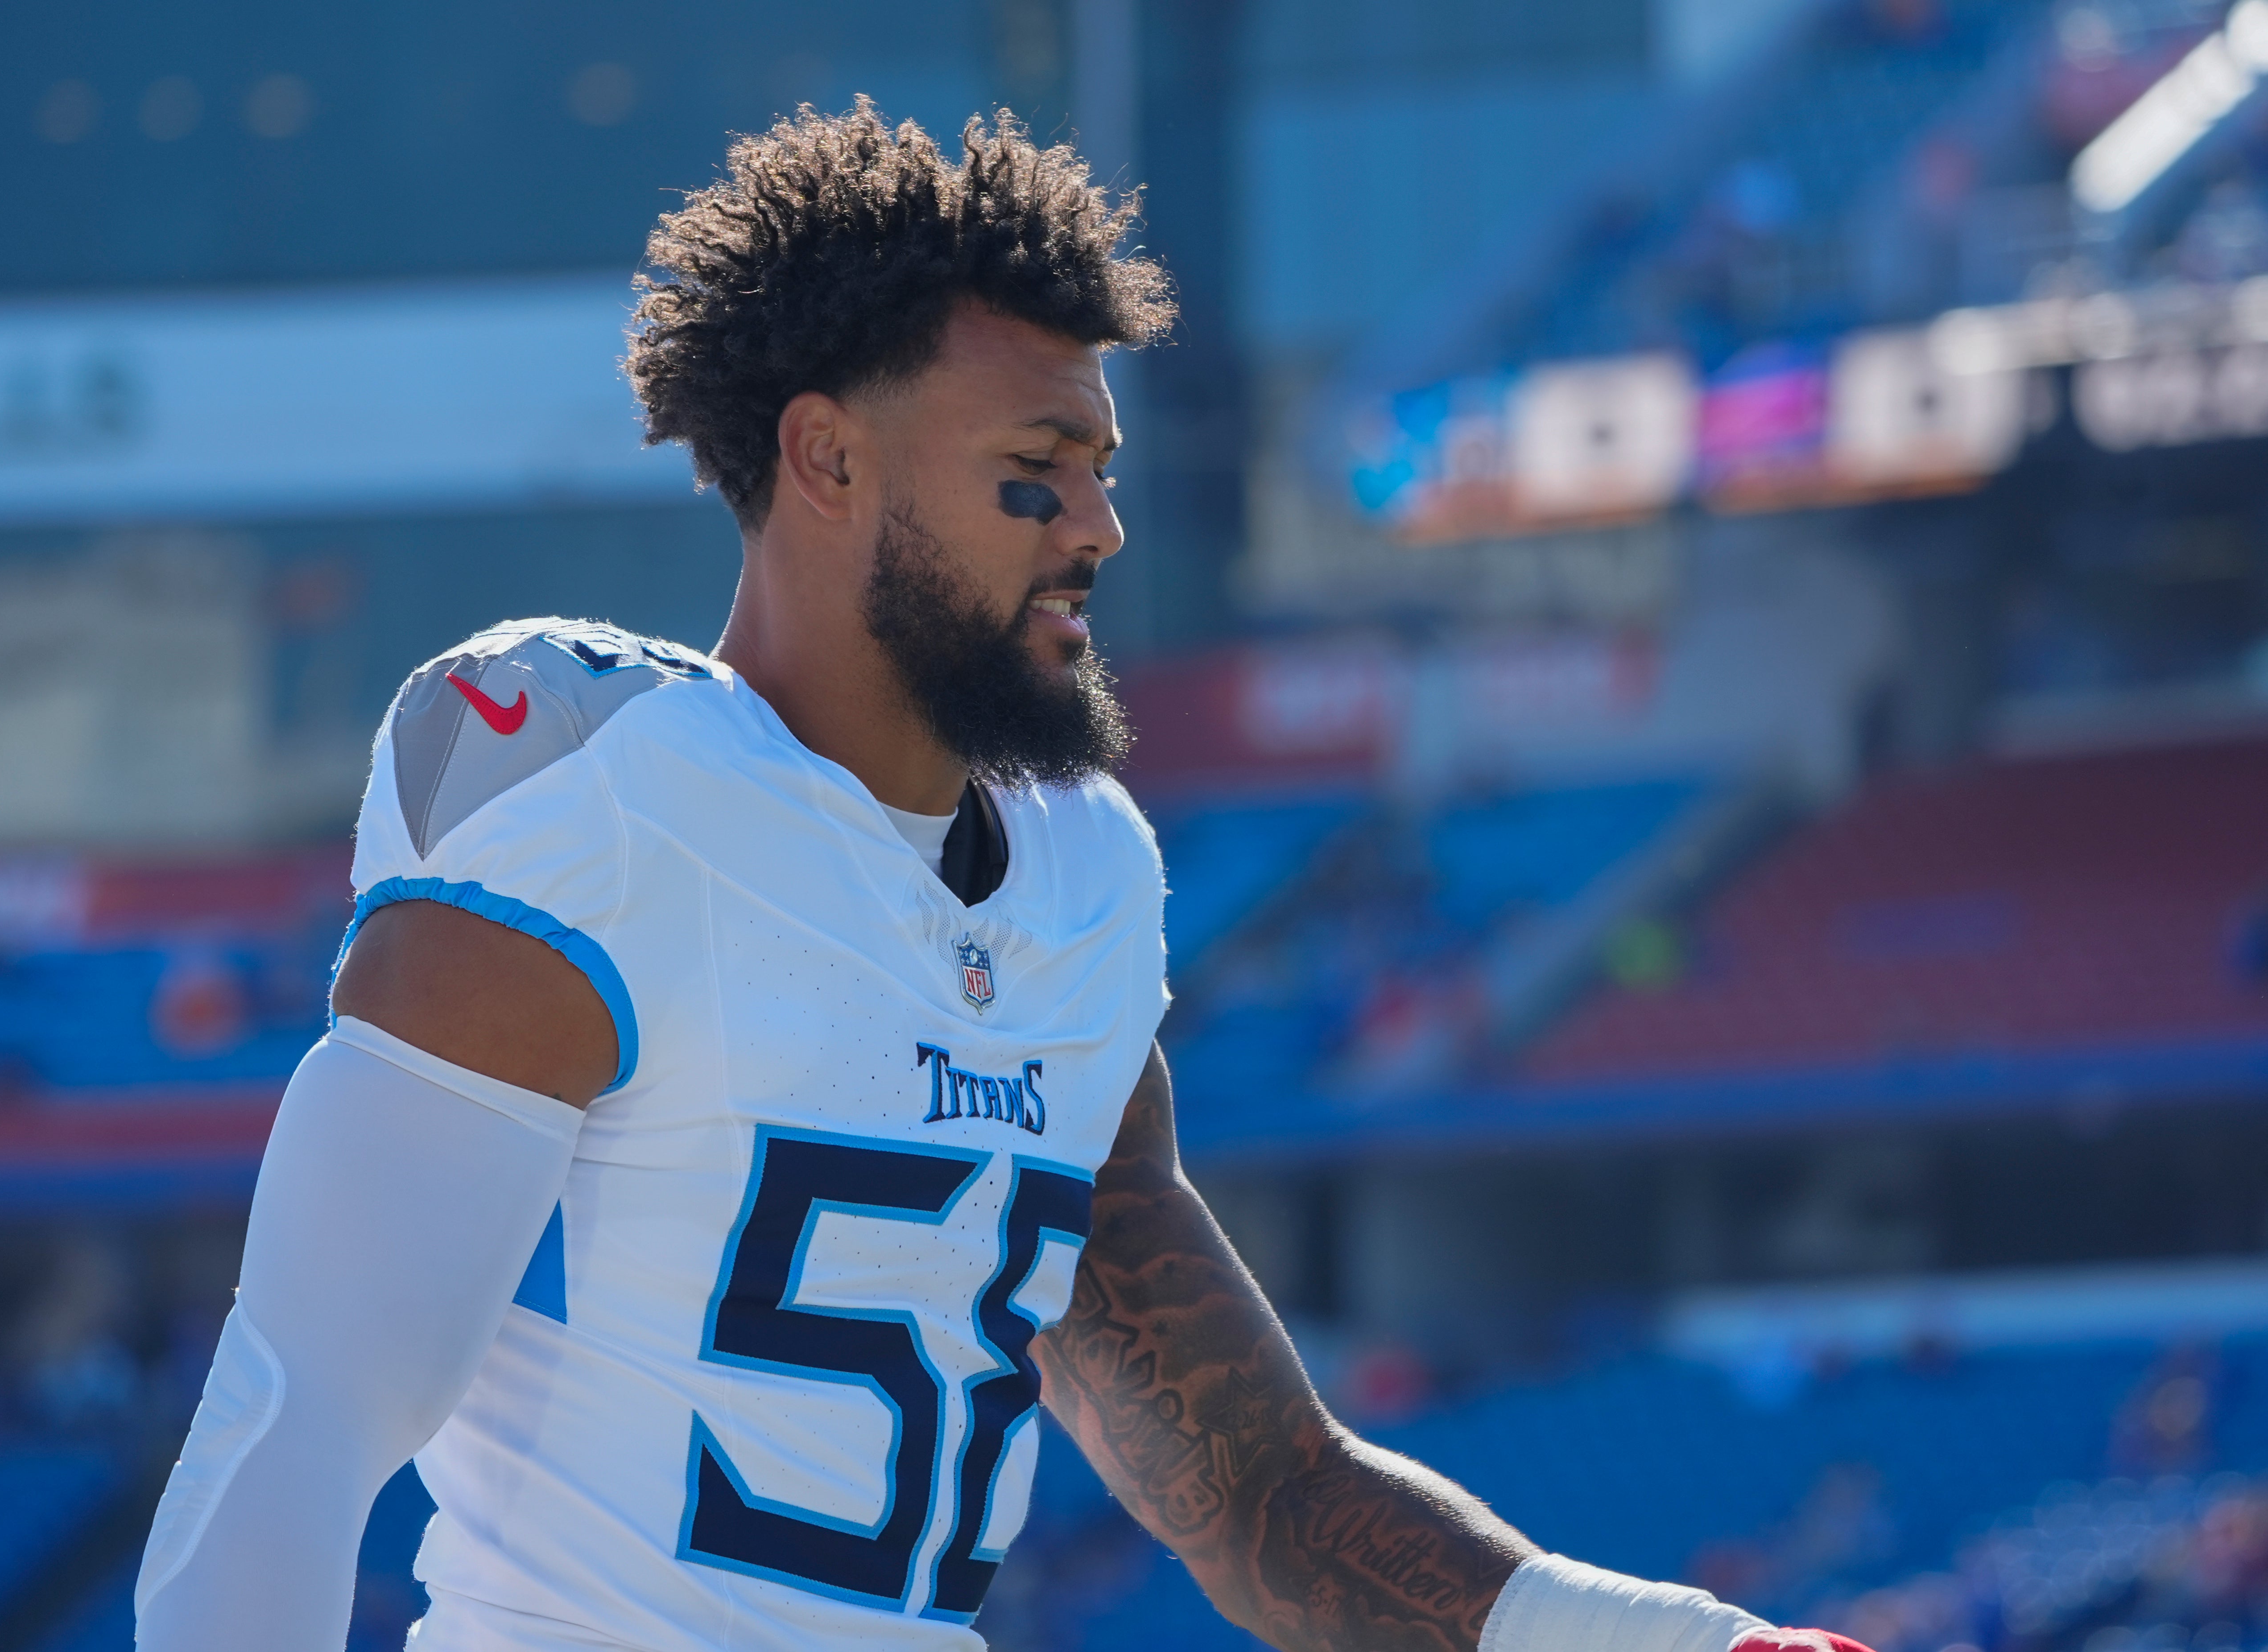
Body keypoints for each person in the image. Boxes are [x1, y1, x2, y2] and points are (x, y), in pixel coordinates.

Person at [132, 102, 1870, 1652]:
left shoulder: (1080, 872)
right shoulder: (597, 801)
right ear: (825, 459)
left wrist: (1687, 1650)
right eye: (1031, 478)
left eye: (1099, 475)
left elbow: (1262, 1494)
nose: (1097, 529)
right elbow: (299, 1422)